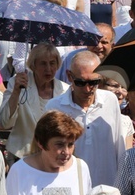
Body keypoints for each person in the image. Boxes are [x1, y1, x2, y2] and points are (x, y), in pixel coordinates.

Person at [45, 50, 125, 186]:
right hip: (70, 186)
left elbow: (119, 145)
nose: (88, 89)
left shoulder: (111, 100)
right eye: (81, 82)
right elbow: (48, 153)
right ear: (69, 76)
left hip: (108, 187)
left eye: (94, 82)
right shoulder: (54, 107)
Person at [0, 43, 70, 163]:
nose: (48, 69)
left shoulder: (65, 90)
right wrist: (16, 91)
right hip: (21, 156)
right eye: (43, 63)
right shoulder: (17, 84)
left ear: (58, 65)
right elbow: (5, 122)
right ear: (33, 65)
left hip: (53, 158)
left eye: (52, 63)